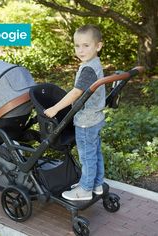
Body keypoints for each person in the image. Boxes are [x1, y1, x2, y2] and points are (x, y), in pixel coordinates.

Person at [44, 24, 105, 201]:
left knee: (87, 156)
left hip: (86, 120)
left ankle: (85, 189)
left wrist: (55, 108)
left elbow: (76, 92)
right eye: (77, 45)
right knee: (95, 152)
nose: (81, 50)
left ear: (98, 46)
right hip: (95, 117)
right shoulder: (94, 64)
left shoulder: (88, 69)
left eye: (86, 45)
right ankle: (96, 184)